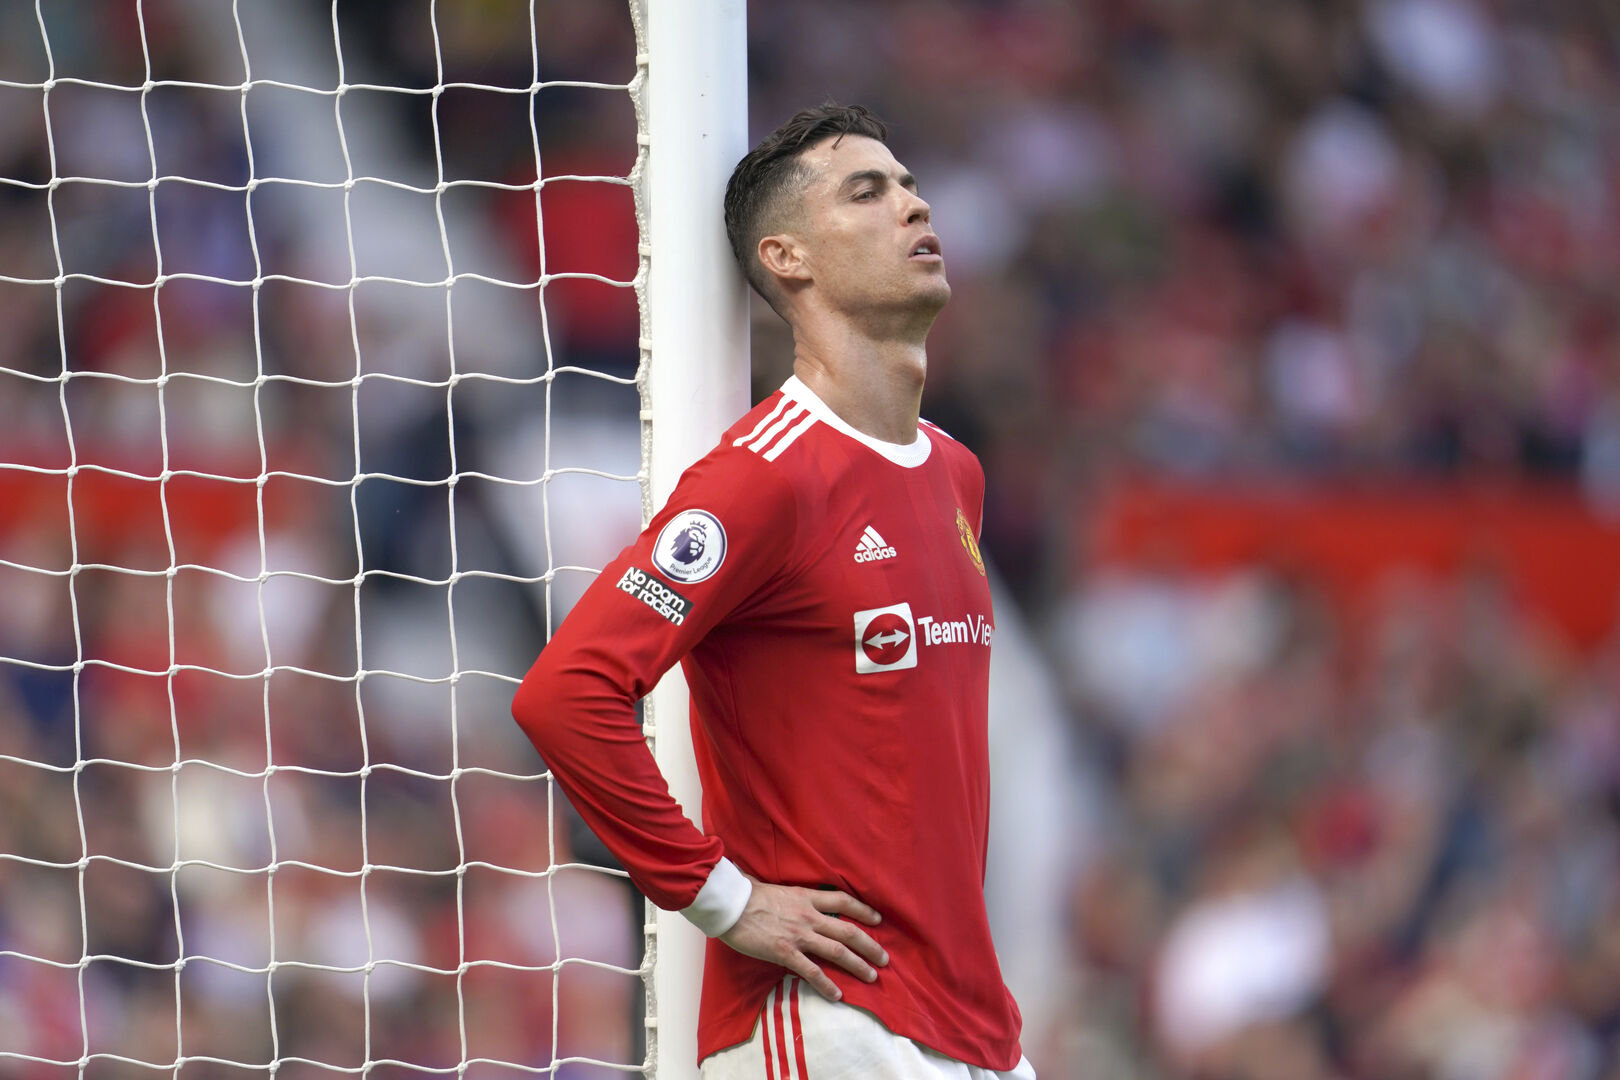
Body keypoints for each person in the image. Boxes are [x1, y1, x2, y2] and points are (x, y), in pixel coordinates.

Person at [511, 103, 1033, 1079]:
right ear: (787, 257)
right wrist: (722, 898)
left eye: (910, 185)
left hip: (973, 1027)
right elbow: (565, 692)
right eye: (866, 192)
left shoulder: (953, 470)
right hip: (826, 1021)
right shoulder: (765, 477)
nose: (911, 205)